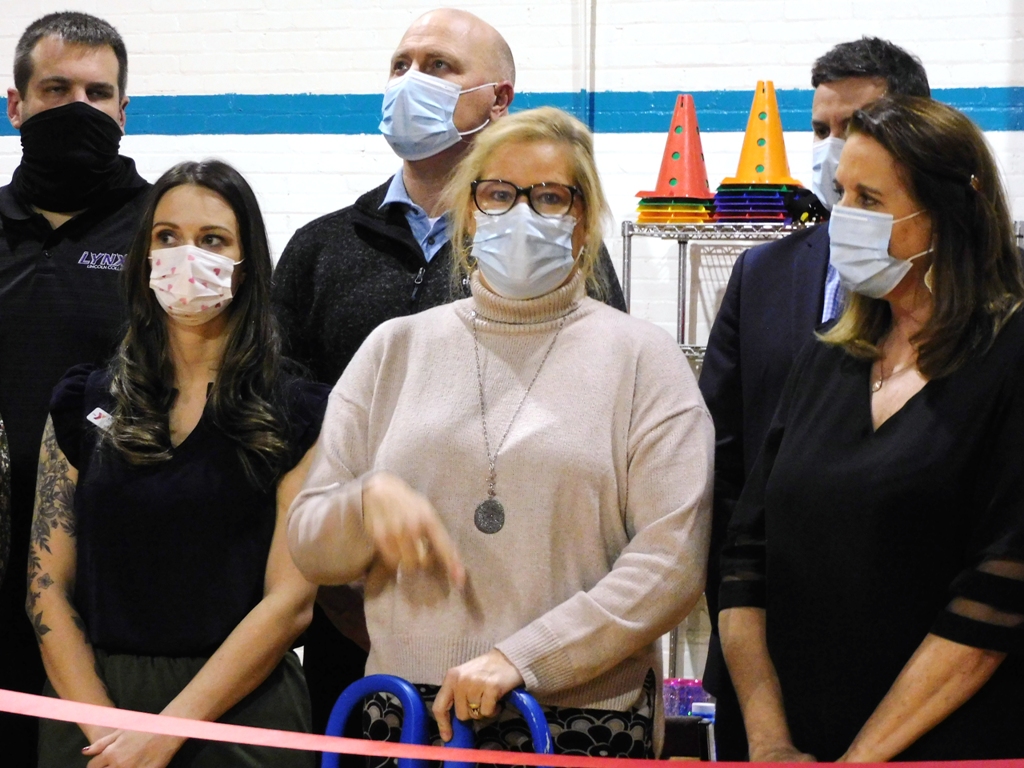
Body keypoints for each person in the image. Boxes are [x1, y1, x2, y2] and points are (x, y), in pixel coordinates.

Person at [286, 106, 711, 759]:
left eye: (549, 197)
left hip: (579, 719)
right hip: (406, 718)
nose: (521, 214)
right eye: (499, 193)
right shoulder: (394, 349)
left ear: (582, 221)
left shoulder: (642, 359)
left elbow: (671, 561)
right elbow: (311, 546)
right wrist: (363, 506)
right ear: (468, 211)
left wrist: (523, 657)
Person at [271, 8, 628, 733]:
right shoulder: (320, 248)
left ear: (498, 100)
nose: (411, 82)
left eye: (438, 67)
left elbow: (596, 434)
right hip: (356, 627)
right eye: (400, 66)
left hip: (534, 647)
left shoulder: (560, 257)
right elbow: (286, 433)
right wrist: (346, 585)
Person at [719, 95, 1024, 761]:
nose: (844, 218)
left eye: (870, 200)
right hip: (795, 743)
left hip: (944, 744)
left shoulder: (1007, 359)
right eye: (841, 195)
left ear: (949, 213)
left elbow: (998, 593)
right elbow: (746, 560)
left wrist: (862, 760)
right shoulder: (830, 357)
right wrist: (769, 742)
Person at [27, 160, 326, 767]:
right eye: (167, 236)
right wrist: (106, 726)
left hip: (240, 709)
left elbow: (290, 604)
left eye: (212, 239)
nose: (186, 256)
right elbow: (45, 586)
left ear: (246, 264)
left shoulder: (301, 412)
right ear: (143, 256)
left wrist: (161, 735)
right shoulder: (83, 400)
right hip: (92, 709)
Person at [696, 37, 930, 760]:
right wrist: (738, 625)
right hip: (760, 653)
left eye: (854, 126)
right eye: (822, 129)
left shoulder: (983, 312)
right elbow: (722, 465)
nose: (833, 151)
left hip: (913, 661)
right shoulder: (762, 274)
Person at [0, 13, 151, 761]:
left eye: (97, 93)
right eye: (56, 89)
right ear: (16, 105)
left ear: (124, 111)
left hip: (116, 576)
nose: (78, 108)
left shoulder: (164, 233)